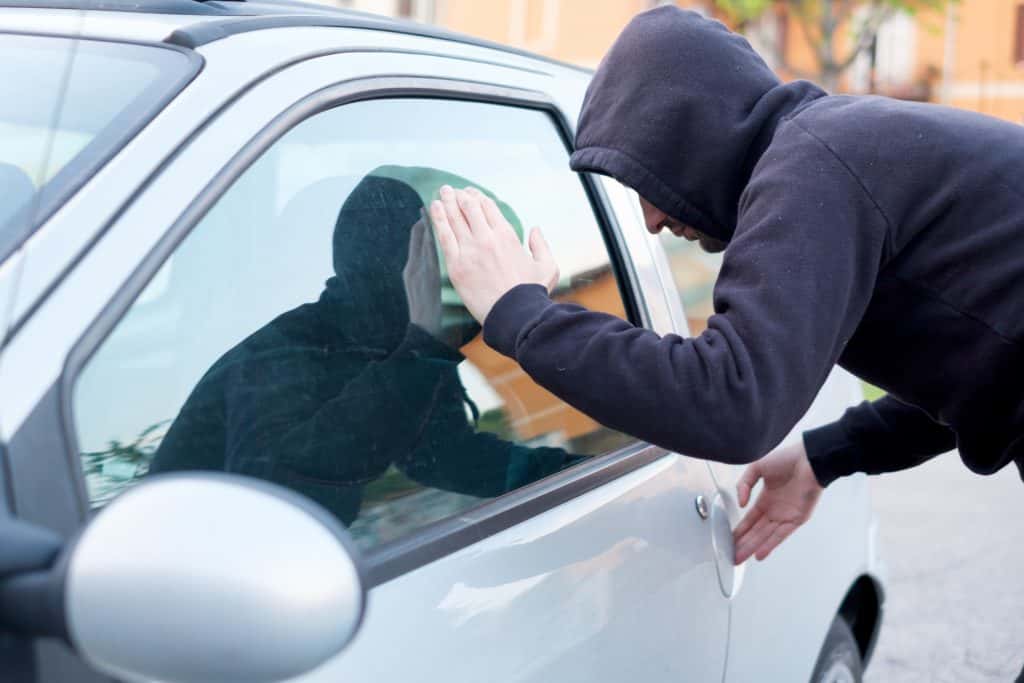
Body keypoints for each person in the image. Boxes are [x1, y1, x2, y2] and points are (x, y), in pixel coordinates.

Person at [429, 6, 1023, 568]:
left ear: (688, 133)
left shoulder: (814, 162)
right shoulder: (843, 150)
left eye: (644, 178)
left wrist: (522, 315)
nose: (651, 221)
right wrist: (828, 454)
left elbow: (733, 403)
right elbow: (986, 364)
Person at [150, 171, 574, 527]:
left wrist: (562, 474)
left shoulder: (394, 344)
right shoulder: (284, 354)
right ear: (411, 267)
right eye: (452, 268)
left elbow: (438, 455)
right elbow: (283, 499)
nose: (477, 304)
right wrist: (424, 344)